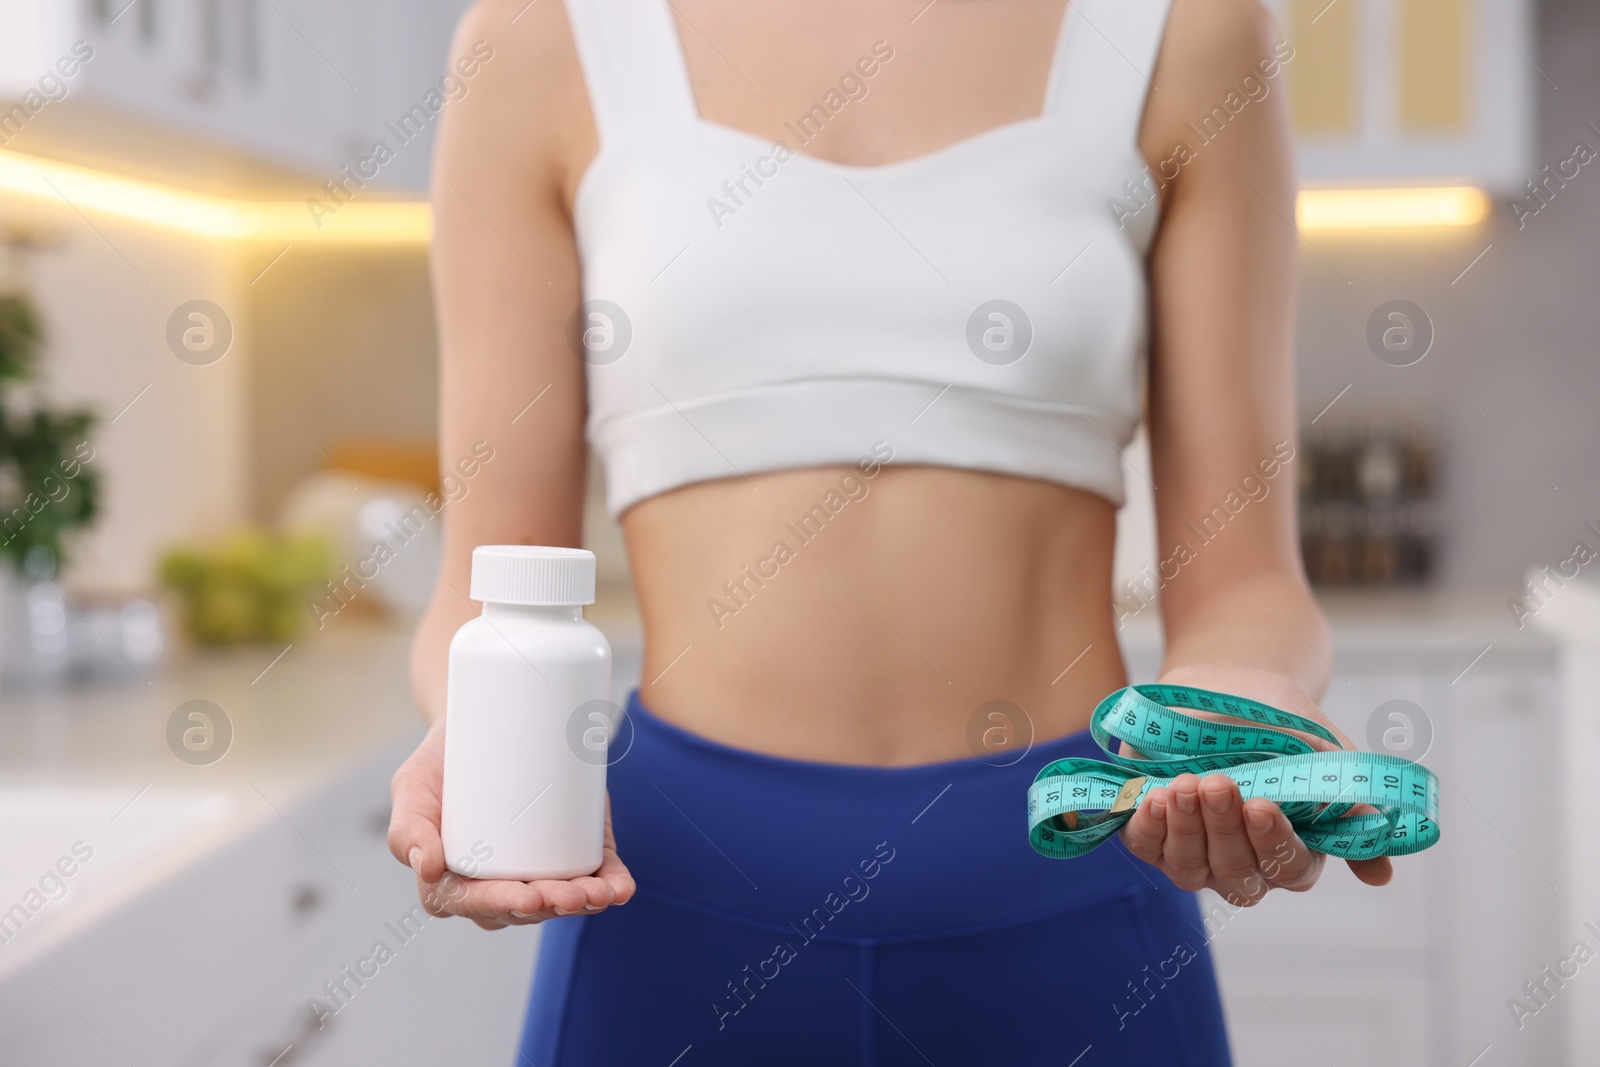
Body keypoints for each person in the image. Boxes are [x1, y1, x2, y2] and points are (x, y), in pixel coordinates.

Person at [388, 0, 1391, 1062]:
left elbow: (1245, 584)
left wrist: (1245, 707)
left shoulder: (1188, 29)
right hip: (664, 905)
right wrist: (484, 742)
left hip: (1072, 888)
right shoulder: (538, 39)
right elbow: (487, 586)